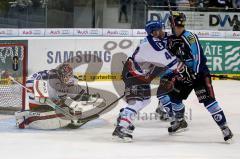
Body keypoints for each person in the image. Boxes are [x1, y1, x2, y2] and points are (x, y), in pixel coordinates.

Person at [112, 20, 184, 142]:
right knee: (137, 102)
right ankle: (121, 128)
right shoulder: (153, 46)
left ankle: (123, 117)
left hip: (138, 74)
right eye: (160, 29)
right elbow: (172, 63)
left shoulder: (153, 39)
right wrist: (187, 66)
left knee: (145, 100)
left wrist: (176, 37)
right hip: (134, 75)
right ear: (154, 32)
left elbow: (167, 38)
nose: (163, 31)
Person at [166, 12, 233, 142]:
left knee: (209, 101)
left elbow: (198, 56)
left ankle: (224, 127)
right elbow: (172, 58)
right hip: (184, 75)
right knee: (174, 97)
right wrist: (177, 71)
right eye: (175, 25)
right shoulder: (170, 39)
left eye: (178, 25)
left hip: (199, 75)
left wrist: (195, 71)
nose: (177, 28)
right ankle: (180, 121)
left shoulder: (190, 37)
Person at [15, 63, 104, 129]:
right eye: (65, 76)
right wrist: (41, 95)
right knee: (54, 111)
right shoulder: (50, 78)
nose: (67, 78)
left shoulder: (68, 80)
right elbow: (32, 82)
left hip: (49, 96)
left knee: (73, 113)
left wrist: (88, 97)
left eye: (69, 76)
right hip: (35, 90)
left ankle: (64, 117)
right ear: (60, 74)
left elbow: (75, 93)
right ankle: (24, 118)